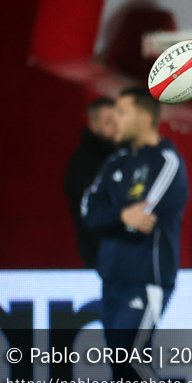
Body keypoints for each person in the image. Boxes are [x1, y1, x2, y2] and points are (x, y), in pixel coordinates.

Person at [81, 87, 192, 383]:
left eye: (123, 112)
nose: (116, 120)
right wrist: (120, 216)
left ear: (146, 118)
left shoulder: (165, 160)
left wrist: (119, 215)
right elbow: (89, 213)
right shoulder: (114, 162)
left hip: (147, 276)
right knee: (120, 363)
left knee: (130, 355)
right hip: (112, 275)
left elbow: (144, 211)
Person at [64, 96, 117, 267]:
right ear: (93, 125)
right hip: (98, 258)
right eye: (109, 121)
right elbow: (89, 214)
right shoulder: (82, 165)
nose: (116, 126)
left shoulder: (126, 157)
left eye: (118, 120)